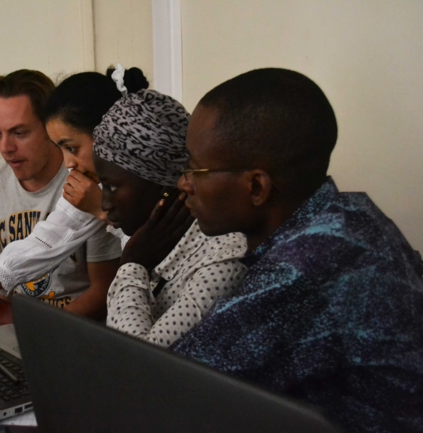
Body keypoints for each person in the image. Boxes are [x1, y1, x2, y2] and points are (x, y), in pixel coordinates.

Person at [171, 68, 423, 432]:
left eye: (196, 169)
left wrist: (134, 264)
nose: (184, 183)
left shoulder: (303, 268)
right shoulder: (349, 215)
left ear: (256, 187)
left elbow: (174, 386)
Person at [0, 70, 122, 318]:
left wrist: (101, 209)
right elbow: (45, 241)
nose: (5, 148)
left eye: (19, 133)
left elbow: (122, 286)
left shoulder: (109, 185)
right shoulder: (86, 182)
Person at [91, 89, 247, 348]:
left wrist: (132, 263)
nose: (105, 204)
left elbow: (136, 364)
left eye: (113, 187)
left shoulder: (222, 261)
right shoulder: (151, 237)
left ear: (165, 183)